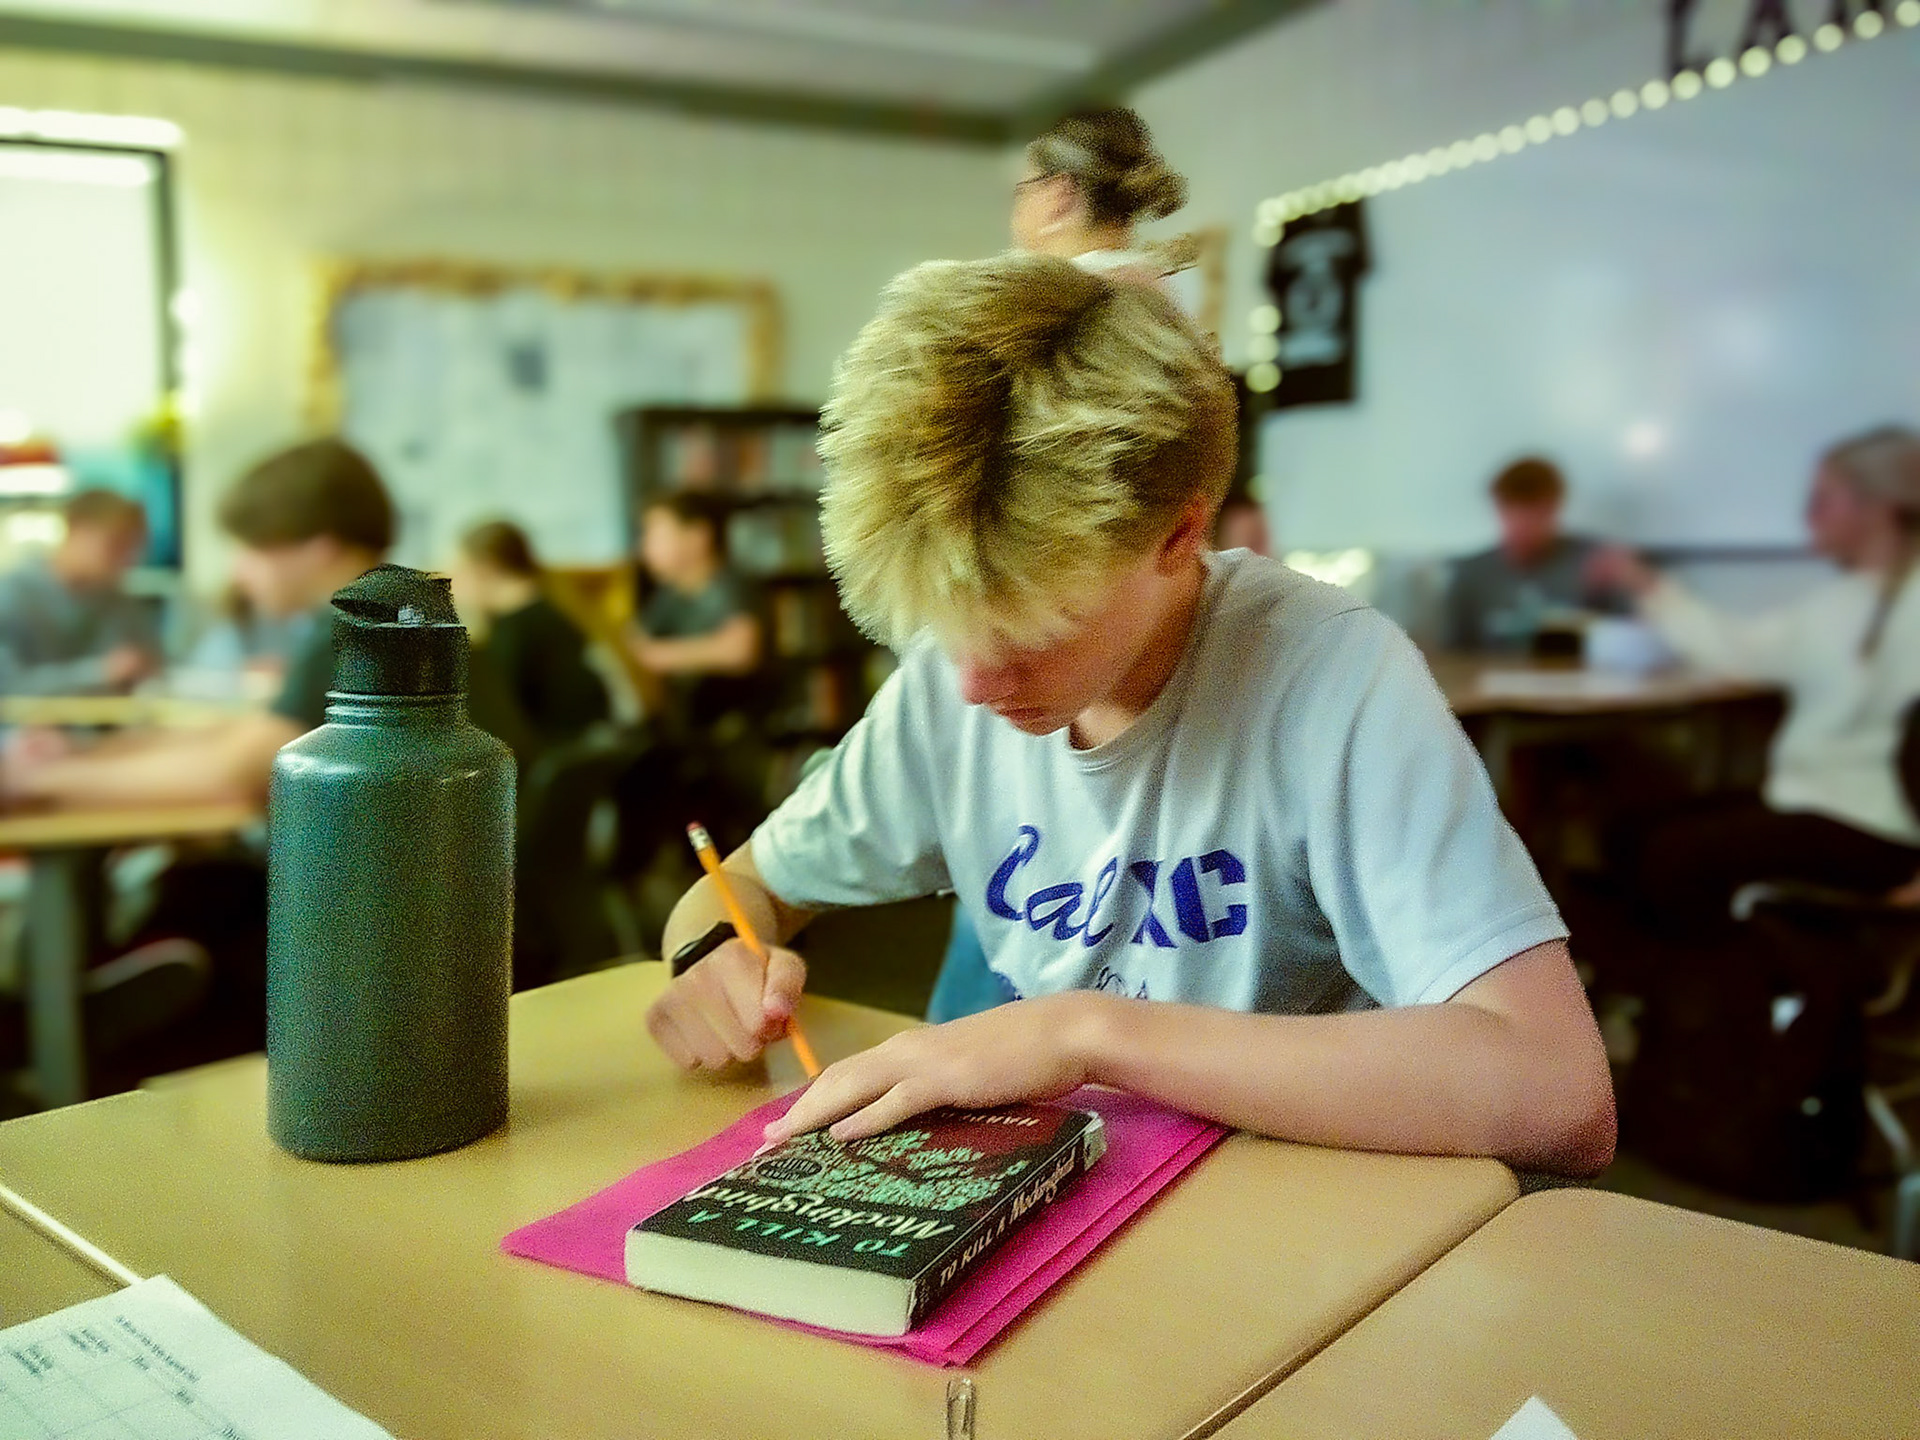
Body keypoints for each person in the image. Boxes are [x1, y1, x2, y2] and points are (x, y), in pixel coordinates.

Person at [643, 253, 1616, 1176]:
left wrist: (1085, 1032)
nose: (976, 685)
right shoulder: (948, 689)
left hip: (1302, 1205)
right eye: (947, 629)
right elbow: (737, 886)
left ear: (1178, 530)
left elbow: (1558, 1096)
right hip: (1076, 1191)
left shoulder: (1329, 674)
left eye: (1036, 627)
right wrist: (712, 956)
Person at [927, 105, 1203, 1026]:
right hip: (1120, 606)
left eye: (1022, 193)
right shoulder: (1170, 304)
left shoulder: (1053, 313)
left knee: (1016, 856)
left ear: (1055, 193)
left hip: (1048, 599)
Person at [1586, 425, 1920, 934]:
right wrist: (1649, 586)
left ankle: (1712, 1000)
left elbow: (1735, 651)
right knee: (1631, 831)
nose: (1810, 515)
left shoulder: (1865, 607)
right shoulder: (1845, 604)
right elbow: (1741, 650)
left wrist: (1647, 584)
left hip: (1875, 828)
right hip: (1837, 808)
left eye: (1823, 499)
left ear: (1875, 507)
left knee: (1672, 855)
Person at [452, 519, 608, 754]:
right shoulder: (556, 611)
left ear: (485, 568)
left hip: (546, 761)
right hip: (584, 753)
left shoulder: (515, 633)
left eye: (459, 572)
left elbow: (499, 724)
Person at [1443, 458, 1628, 652]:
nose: (1523, 525)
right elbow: (1450, 656)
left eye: (1536, 514)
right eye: (1512, 511)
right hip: (1486, 679)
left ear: (1555, 508)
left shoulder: (1594, 563)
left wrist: (1631, 579)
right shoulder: (1470, 574)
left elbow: (1623, 642)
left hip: (1573, 680)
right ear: (1498, 508)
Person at [0, 488, 158, 695]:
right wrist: (100, 673)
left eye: (133, 549)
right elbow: (9, 688)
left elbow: (155, 669)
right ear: (76, 529)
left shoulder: (117, 601)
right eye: (116, 545)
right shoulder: (13, 596)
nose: (127, 562)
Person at [631, 493, 762, 731]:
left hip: (734, 728)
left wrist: (656, 656)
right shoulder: (669, 594)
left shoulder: (730, 585)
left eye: (656, 535)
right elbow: (636, 639)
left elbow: (740, 651)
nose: (645, 548)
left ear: (697, 537)